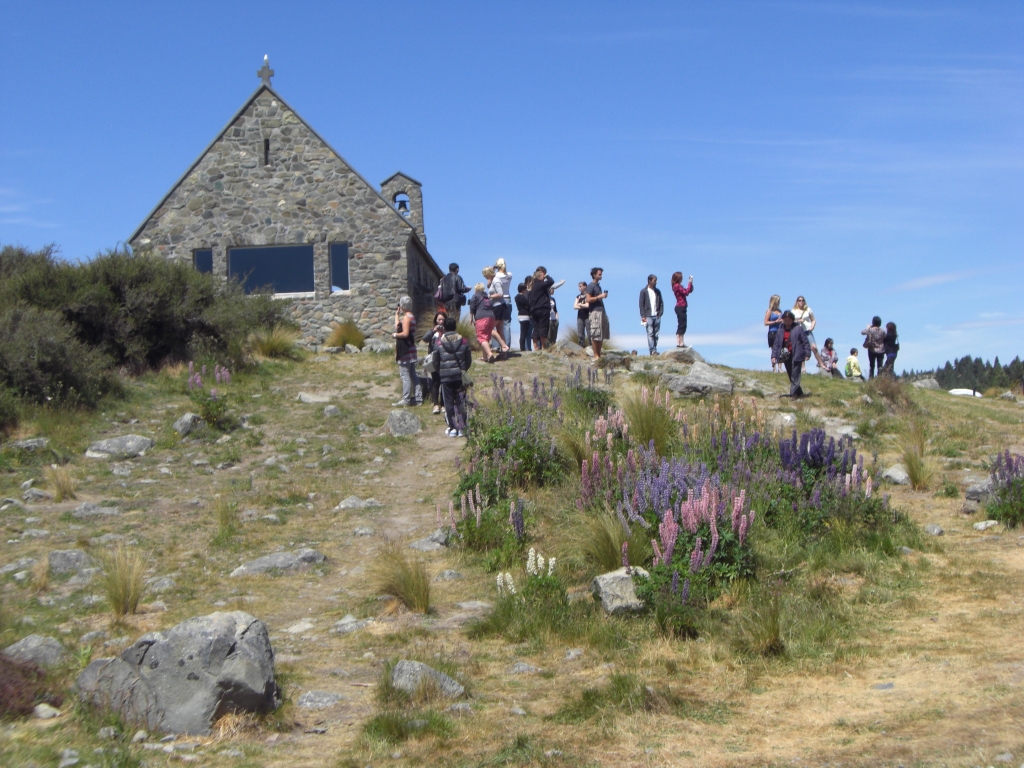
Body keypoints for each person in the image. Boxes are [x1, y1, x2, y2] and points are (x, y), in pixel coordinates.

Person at [432, 316, 471, 437]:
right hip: (459, 376)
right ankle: (463, 426)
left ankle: (452, 427)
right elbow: (468, 360)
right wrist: (463, 370)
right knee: (461, 401)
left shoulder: (439, 342)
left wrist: (441, 371)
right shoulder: (464, 341)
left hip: (445, 377)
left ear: (445, 327)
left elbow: (435, 362)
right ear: (455, 327)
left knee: (448, 402)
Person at [771, 310, 811, 398]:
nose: (787, 322)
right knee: (790, 374)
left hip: (797, 353)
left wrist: (807, 353)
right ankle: (799, 392)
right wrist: (774, 356)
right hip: (786, 355)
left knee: (796, 374)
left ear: (792, 320)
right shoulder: (780, 329)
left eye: (789, 320)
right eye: (785, 320)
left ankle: (793, 394)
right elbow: (776, 344)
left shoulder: (798, 328)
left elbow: (805, 341)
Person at [392, 296, 422, 406]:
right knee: (413, 374)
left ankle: (406, 399)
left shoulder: (406, 318)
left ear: (403, 306)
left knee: (405, 376)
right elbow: (398, 326)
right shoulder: (411, 316)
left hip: (406, 350)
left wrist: (395, 335)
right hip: (411, 349)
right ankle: (418, 398)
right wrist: (397, 314)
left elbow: (404, 333)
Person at [422, 311, 447, 415]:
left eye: (442, 320)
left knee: (445, 382)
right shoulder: (433, 332)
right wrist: (433, 331)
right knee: (436, 382)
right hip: (435, 360)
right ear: (436, 321)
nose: (441, 322)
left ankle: (444, 404)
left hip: (445, 360)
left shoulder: (448, 331)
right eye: (439, 320)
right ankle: (435, 404)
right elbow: (424, 339)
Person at [483, 267, 511, 357]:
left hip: (498, 307)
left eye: (485, 274)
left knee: (489, 328)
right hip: (498, 306)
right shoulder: (493, 280)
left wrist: (490, 297)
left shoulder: (496, 280)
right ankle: (504, 351)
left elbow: (500, 293)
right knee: (499, 330)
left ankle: (504, 346)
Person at [468, 282, 497, 363]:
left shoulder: (475, 296)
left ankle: (489, 354)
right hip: (491, 317)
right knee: (486, 337)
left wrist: (471, 318)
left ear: (476, 289)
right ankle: (485, 357)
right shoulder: (487, 297)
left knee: (481, 337)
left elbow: (472, 307)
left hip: (481, 318)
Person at [792, 296, 823, 371]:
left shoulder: (808, 310)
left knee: (814, 347)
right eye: (799, 300)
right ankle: (803, 368)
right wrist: (798, 321)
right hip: (799, 331)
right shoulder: (793, 311)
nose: (801, 302)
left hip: (808, 330)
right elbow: (791, 321)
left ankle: (821, 364)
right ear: (797, 302)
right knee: (801, 349)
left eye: (802, 300)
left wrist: (812, 326)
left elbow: (813, 320)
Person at [528, 267, 555, 351]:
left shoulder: (532, 286)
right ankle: (543, 347)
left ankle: (535, 347)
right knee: (543, 328)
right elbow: (551, 281)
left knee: (536, 328)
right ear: (539, 276)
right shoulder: (540, 284)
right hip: (543, 309)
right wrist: (546, 276)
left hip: (534, 310)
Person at [638, 274, 665, 355]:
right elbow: (641, 304)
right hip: (648, 315)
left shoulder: (658, 291)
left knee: (656, 334)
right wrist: (643, 316)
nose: (656, 282)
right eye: (654, 280)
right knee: (650, 333)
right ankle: (652, 350)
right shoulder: (643, 291)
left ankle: (654, 350)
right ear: (650, 281)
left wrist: (660, 313)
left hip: (657, 315)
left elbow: (661, 303)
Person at [586, 267, 609, 359]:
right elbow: (588, 299)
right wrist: (599, 297)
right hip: (594, 311)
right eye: (599, 274)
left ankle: (598, 354)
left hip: (601, 310)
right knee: (595, 333)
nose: (601, 275)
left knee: (601, 333)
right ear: (594, 275)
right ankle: (595, 355)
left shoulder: (598, 286)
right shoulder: (590, 286)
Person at [493, 258, 514, 347]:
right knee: (506, 324)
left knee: (495, 323)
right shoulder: (509, 275)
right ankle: (507, 345)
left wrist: (492, 269)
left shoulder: (496, 276)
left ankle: (496, 345)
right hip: (508, 298)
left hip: (498, 299)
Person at [671, 272, 694, 348]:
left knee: (682, 324)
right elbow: (686, 292)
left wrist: (690, 284)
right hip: (680, 307)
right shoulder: (677, 286)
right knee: (682, 325)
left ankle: (680, 342)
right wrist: (689, 284)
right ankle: (680, 342)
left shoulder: (677, 286)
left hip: (681, 307)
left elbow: (688, 291)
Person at [764, 295, 783, 372]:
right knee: (774, 350)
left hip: (780, 331)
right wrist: (775, 322)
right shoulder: (769, 311)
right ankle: (774, 367)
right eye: (777, 301)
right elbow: (765, 322)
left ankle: (780, 367)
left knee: (781, 349)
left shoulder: (780, 311)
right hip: (772, 332)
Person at [514, 282, 533, 352]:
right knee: (524, 333)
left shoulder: (517, 297)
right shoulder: (522, 297)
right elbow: (528, 305)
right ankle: (522, 348)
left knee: (523, 332)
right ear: (523, 289)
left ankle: (522, 347)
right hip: (525, 316)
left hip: (520, 315)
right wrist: (528, 306)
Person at [573, 282, 590, 347]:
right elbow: (575, 306)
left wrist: (580, 305)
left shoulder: (588, 295)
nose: (579, 288)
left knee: (589, 333)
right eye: (579, 286)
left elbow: (588, 305)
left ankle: (591, 347)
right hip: (580, 317)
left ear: (585, 286)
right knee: (580, 334)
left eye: (580, 286)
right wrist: (583, 305)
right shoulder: (578, 296)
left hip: (588, 316)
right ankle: (581, 347)